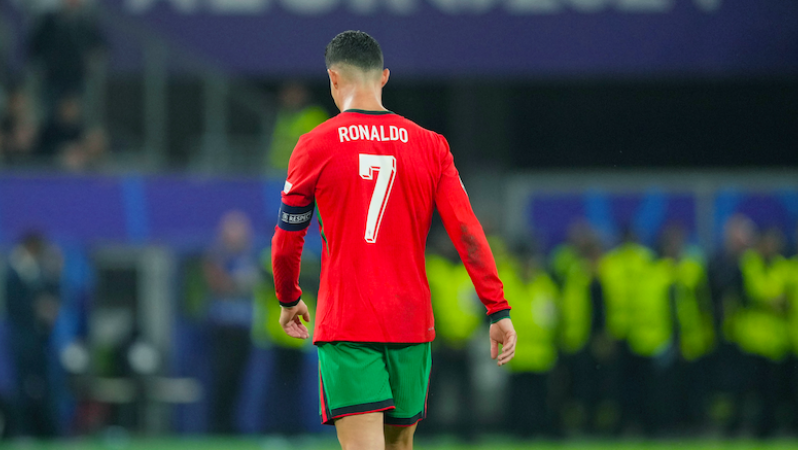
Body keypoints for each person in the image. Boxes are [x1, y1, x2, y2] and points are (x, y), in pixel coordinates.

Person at [270, 31, 516, 450]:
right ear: (383, 77)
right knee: (399, 445)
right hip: (410, 322)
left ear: (333, 79)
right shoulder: (431, 145)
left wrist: (288, 297)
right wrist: (497, 308)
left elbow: (287, 240)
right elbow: (467, 233)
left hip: (348, 321)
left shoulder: (315, 144)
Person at [203, 211, 261, 434]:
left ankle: (233, 423)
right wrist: (238, 283)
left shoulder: (250, 256)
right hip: (224, 326)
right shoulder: (217, 255)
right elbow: (218, 283)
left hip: (245, 326)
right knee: (222, 376)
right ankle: (217, 424)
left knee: (240, 378)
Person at [5, 232, 63, 438]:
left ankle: (46, 431)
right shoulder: (14, 270)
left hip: (38, 340)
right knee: (23, 388)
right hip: (22, 340)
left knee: (43, 387)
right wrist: (35, 308)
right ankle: (23, 431)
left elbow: (51, 294)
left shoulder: (39, 271)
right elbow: (15, 307)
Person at [267, 82, 329, 172]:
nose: (290, 97)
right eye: (287, 93)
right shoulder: (282, 115)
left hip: (304, 173)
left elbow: (321, 149)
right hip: (277, 172)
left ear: (304, 94)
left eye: (295, 93)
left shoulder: (315, 115)